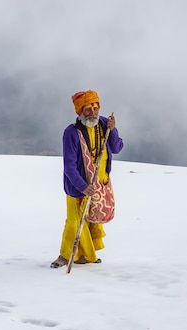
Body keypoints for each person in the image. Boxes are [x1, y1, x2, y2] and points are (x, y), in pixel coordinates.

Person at [51, 90, 124, 268]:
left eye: (95, 108)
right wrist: (83, 186)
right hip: (78, 186)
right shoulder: (71, 132)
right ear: (79, 111)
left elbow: (117, 148)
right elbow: (69, 166)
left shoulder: (105, 124)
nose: (92, 113)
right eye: (87, 109)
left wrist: (113, 131)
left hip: (101, 183)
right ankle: (64, 256)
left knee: (92, 220)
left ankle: (85, 256)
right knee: (74, 221)